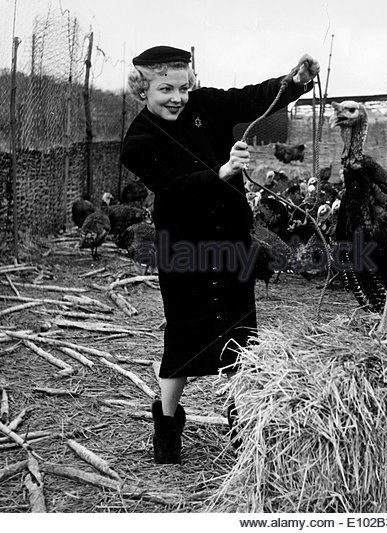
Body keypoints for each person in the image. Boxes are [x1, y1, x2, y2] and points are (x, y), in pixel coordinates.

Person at [121, 46, 319, 464]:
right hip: (183, 245)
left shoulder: (206, 105)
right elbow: (174, 186)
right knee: (183, 337)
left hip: (230, 237)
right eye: (165, 89)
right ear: (143, 90)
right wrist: (222, 172)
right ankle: (166, 425)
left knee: (239, 335)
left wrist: (293, 84)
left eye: (183, 87)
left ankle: (242, 422)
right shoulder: (137, 141)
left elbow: (252, 98)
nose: (178, 97)